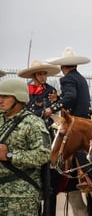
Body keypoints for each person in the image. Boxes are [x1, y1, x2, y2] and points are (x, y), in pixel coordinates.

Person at [46, 47, 92, 197]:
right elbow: (71, 96)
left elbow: (71, 98)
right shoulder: (79, 78)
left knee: (71, 141)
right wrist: (59, 99)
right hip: (85, 117)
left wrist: (52, 108)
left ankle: (87, 176)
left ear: (62, 67)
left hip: (76, 120)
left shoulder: (67, 79)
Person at [0, 79, 51, 216]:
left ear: (19, 98)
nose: (0, 100)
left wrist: (10, 155)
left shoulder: (33, 123)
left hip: (20, 197)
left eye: (5, 96)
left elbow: (44, 154)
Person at [17, 60, 60, 132]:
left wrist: (28, 117)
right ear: (34, 76)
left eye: (44, 74)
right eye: (39, 74)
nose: (43, 77)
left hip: (43, 126)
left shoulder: (50, 90)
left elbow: (47, 109)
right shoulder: (27, 90)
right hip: (26, 125)